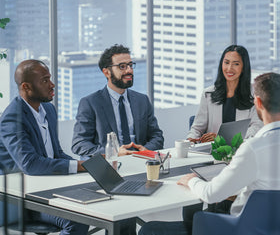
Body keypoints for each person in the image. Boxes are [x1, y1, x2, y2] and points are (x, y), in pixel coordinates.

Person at [139, 72, 280, 235]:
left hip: (242, 228)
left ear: (258, 102)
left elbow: (211, 194)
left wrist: (191, 179)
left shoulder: (253, 148)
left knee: (150, 229)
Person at [0, 59, 88, 235]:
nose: (52, 84)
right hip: (22, 200)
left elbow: (57, 154)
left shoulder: (48, 109)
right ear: (26, 87)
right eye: (45, 80)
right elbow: (30, 164)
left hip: (46, 187)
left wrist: (88, 165)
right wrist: (78, 166)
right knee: (78, 221)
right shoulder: (12, 118)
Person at [71, 44, 164, 157]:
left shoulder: (142, 100)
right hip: (110, 165)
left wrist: (145, 150)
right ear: (106, 72)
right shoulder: (90, 103)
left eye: (130, 65)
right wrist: (113, 153)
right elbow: (79, 143)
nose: (129, 70)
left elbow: (157, 136)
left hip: (141, 161)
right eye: (122, 66)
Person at [187, 45, 263, 143]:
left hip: (242, 150)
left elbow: (256, 129)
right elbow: (196, 128)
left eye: (236, 64)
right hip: (212, 153)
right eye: (226, 62)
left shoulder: (255, 95)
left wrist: (222, 138)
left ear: (244, 67)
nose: (229, 68)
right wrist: (190, 140)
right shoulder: (208, 94)